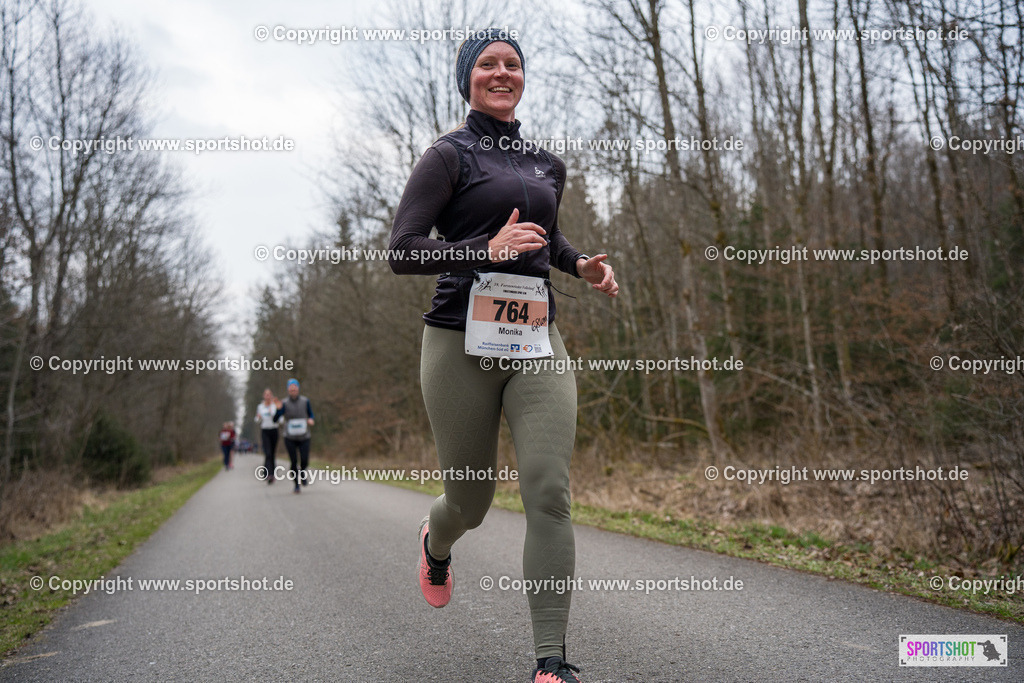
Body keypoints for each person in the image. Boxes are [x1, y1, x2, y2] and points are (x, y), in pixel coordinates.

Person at [388, 28, 618, 683]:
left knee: (548, 487)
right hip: (457, 340)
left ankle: (551, 660)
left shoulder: (548, 163)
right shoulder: (446, 156)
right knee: (473, 501)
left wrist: (579, 264)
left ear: (522, 77)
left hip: (534, 337)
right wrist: (478, 250)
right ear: (467, 79)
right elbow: (403, 249)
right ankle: (437, 543)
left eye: (511, 64)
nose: (501, 72)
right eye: (487, 64)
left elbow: (544, 236)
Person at [273, 378, 314, 493]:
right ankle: (296, 484)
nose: (293, 391)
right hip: (289, 436)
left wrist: (311, 419)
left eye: (295, 389)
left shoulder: (305, 401)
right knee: (294, 461)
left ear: (298, 389)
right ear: (288, 390)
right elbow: (275, 419)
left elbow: (311, 414)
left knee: (304, 460)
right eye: (291, 389)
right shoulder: (284, 403)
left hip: (304, 435)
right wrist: (278, 410)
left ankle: (302, 472)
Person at [254, 388, 280, 485]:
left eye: (269, 394)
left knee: (272, 453)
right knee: (268, 452)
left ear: (271, 396)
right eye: (266, 394)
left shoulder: (274, 406)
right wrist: (259, 418)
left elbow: (280, 419)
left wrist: (273, 412)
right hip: (265, 431)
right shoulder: (260, 407)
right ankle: (269, 474)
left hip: (274, 430)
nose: (267, 396)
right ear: (263, 396)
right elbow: (257, 420)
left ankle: (270, 473)